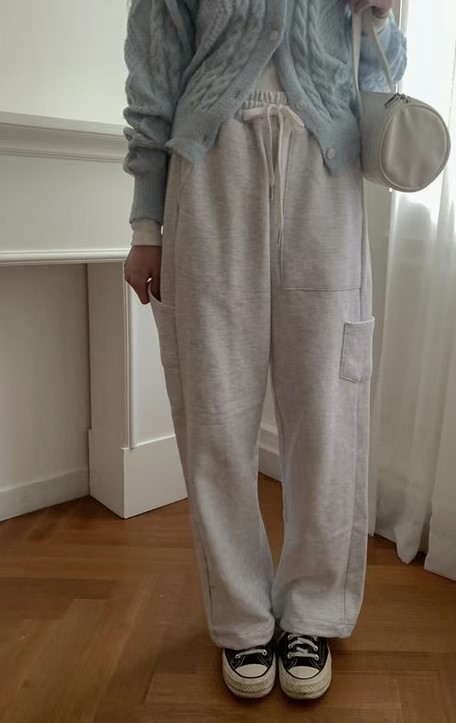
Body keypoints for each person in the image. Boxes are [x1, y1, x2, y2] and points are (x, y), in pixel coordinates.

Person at [123, 0, 406, 701]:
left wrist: (380, 17)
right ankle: (243, 618)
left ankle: (312, 610)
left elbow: (383, 79)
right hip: (210, 174)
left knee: (328, 411)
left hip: (325, 175)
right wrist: (146, 224)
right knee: (216, 416)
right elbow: (153, 78)